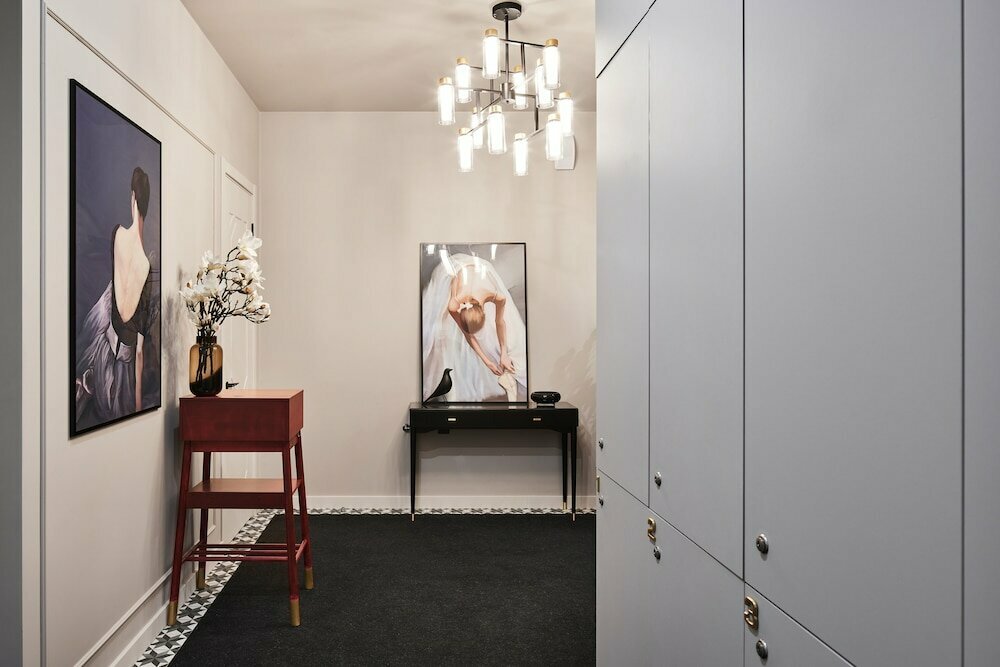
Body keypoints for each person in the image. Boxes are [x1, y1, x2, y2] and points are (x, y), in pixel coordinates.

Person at [75, 167, 159, 430]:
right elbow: (140, 348)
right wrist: (138, 406)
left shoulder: (118, 235)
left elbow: (115, 292)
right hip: (121, 361)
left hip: (103, 343)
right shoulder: (145, 265)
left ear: (133, 197)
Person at [422, 251, 527, 402]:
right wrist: (487, 362)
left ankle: (509, 373)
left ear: (484, 310)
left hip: (480, 272)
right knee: (443, 336)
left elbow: (500, 322)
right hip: (459, 272)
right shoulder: (454, 305)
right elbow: (468, 335)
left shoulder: (495, 295)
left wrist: (504, 353)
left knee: (503, 335)